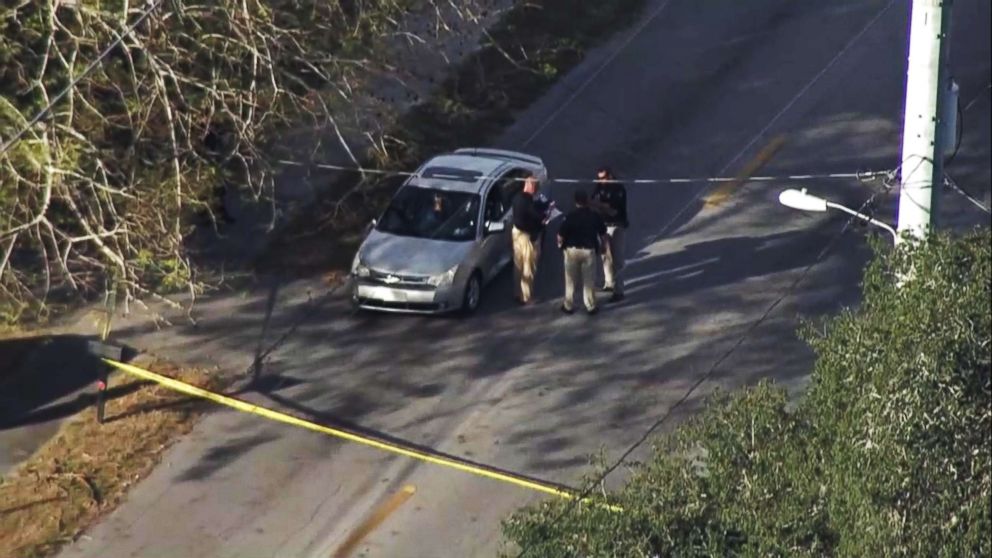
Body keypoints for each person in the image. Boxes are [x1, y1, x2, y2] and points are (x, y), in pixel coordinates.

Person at [557, 189, 607, 315]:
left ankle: (568, 305)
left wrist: (560, 245)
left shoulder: (570, 216)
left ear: (575, 202)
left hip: (572, 251)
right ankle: (590, 305)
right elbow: (603, 233)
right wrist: (604, 246)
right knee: (589, 280)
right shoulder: (594, 216)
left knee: (570, 280)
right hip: (588, 251)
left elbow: (561, 234)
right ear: (587, 201)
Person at [590, 166, 629, 303]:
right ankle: (609, 283)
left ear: (610, 176)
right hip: (603, 226)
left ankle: (619, 290)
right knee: (605, 256)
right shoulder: (599, 187)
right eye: (598, 178)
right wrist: (601, 206)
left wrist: (600, 206)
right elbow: (592, 201)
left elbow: (613, 211)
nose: (600, 180)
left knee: (617, 258)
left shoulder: (618, 189)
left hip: (616, 226)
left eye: (603, 178)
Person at [511, 175, 545, 305]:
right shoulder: (528, 202)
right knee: (528, 266)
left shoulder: (516, 198)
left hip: (516, 233)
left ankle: (516, 292)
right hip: (526, 236)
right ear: (531, 186)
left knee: (517, 264)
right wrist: (544, 218)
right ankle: (526, 296)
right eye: (535, 188)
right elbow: (537, 217)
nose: (536, 191)